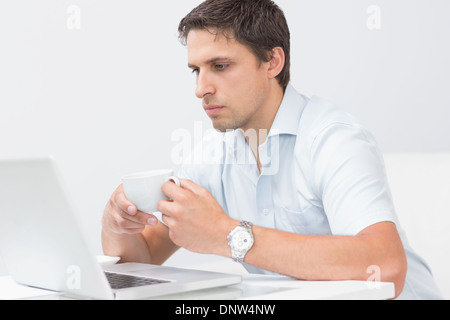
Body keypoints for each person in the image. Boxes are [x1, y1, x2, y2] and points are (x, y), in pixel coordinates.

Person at [101, 0, 442, 299]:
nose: (201, 88)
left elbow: (385, 267)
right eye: (196, 70)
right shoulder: (213, 153)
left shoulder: (335, 139)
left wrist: (227, 234)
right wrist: (116, 224)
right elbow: (142, 260)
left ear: (272, 62)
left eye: (219, 66)